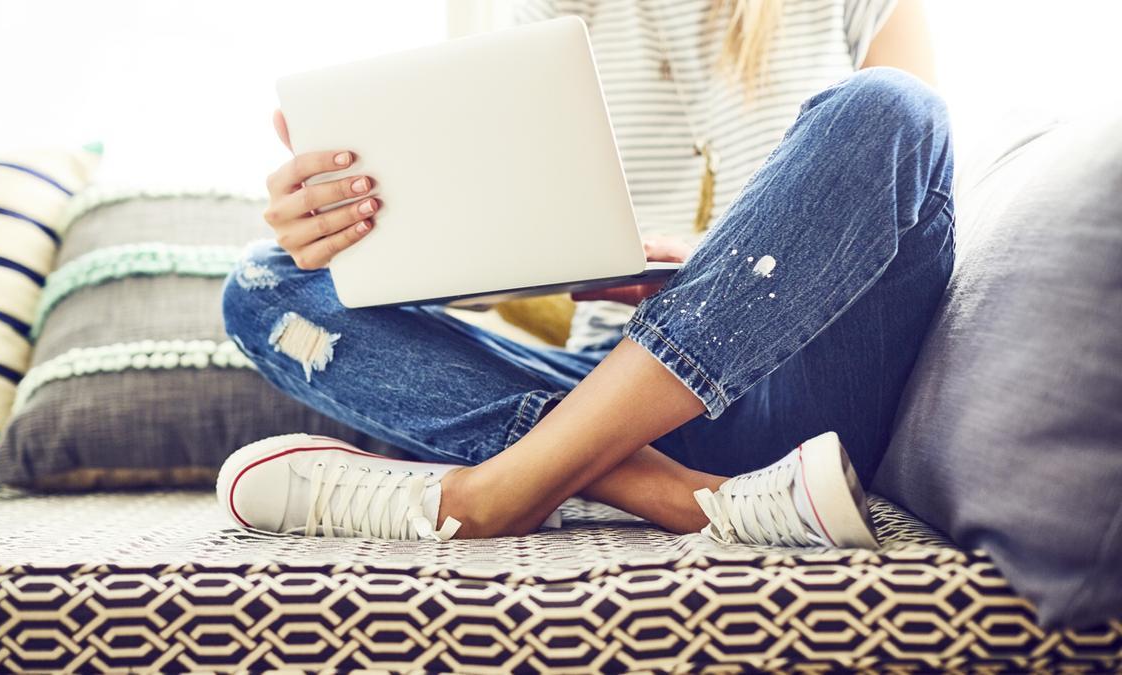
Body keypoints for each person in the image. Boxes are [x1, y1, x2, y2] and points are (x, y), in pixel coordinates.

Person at [216, 0, 953, 547]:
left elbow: (911, 188)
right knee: (265, 284)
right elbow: (496, 254)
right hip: (606, 390)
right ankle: (683, 496)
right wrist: (351, 231)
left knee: (891, 106)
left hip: (798, 383)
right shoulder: (551, 16)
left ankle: (498, 491)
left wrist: (699, 267)